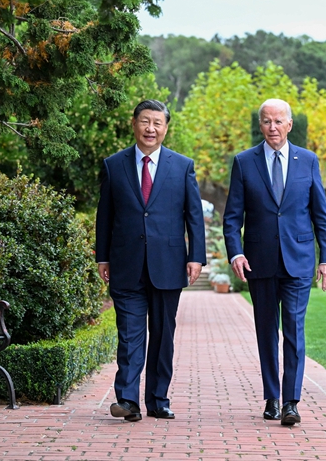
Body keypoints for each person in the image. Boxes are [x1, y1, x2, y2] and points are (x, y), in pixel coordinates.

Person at [223, 98, 326, 426]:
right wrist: (236, 251)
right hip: (259, 262)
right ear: (261, 125)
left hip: (299, 261)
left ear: (289, 125)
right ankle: (271, 397)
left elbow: (321, 216)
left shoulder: (308, 160)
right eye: (266, 121)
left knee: (294, 332)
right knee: (266, 331)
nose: (273, 127)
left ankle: (291, 402)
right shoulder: (244, 162)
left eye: (278, 121)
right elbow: (232, 217)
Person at [95, 99, 207, 422]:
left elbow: (194, 216)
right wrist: (102, 255)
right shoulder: (114, 165)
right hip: (126, 264)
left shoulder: (182, 166)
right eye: (145, 121)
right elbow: (106, 216)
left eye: (157, 123)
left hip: (169, 264)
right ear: (134, 124)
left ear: (166, 128)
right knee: (129, 335)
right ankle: (127, 400)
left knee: (161, 335)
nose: (150, 129)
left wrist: (195, 256)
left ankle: (158, 399)